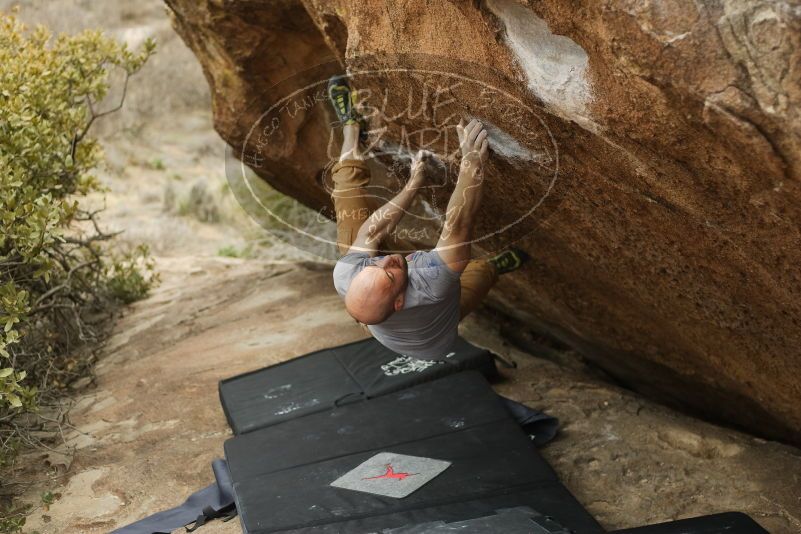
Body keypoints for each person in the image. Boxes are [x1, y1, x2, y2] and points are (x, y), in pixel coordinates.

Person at [328, 76, 528, 358]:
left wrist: (413, 184)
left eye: (372, 264)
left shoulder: (348, 276)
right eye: (388, 271)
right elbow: (459, 222)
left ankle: (351, 128)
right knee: (476, 274)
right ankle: (495, 267)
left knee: (346, 195)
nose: (387, 258)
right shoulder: (432, 287)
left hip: (377, 314)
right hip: (436, 338)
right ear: (399, 302)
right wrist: (471, 159)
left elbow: (372, 233)